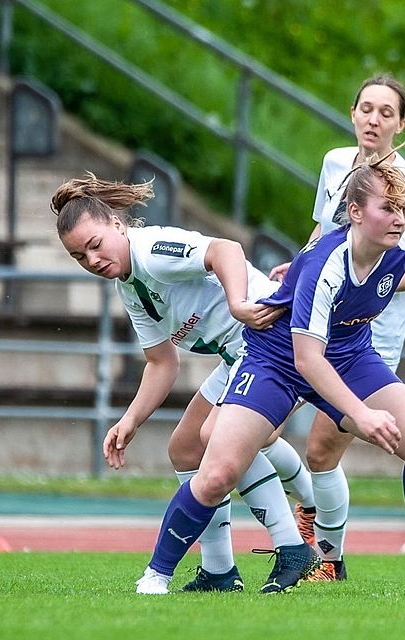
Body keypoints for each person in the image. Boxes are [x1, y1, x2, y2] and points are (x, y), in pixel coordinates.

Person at [136, 156, 405, 597]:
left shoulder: (396, 242)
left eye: (403, 209)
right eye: (388, 209)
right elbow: (307, 361)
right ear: (355, 212)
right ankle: (157, 574)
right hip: (278, 359)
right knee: (217, 474)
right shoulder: (327, 263)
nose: (399, 219)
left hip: (350, 354)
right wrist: (359, 415)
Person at [50, 174, 319, 593]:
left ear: (118, 226)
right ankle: (218, 570)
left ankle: (294, 544)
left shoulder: (152, 251)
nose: (92, 260)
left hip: (273, 338)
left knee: (220, 436)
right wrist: (131, 420)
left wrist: (238, 303)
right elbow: (161, 362)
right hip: (241, 352)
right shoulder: (130, 286)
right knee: (185, 447)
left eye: (96, 244)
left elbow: (225, 250)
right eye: (79, 256)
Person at [269, 73, 405, 581]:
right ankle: (309, 526)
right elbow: (323, 234)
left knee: (322, 448)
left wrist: (376, 287)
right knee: (261, 431)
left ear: (401, 123)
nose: (373, 119)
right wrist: (299, 268)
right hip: (310, 322)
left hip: (366, 341)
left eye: (385, 112)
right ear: (352, 113)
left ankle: (328, 561)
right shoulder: (334, 162)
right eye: (366, 109)